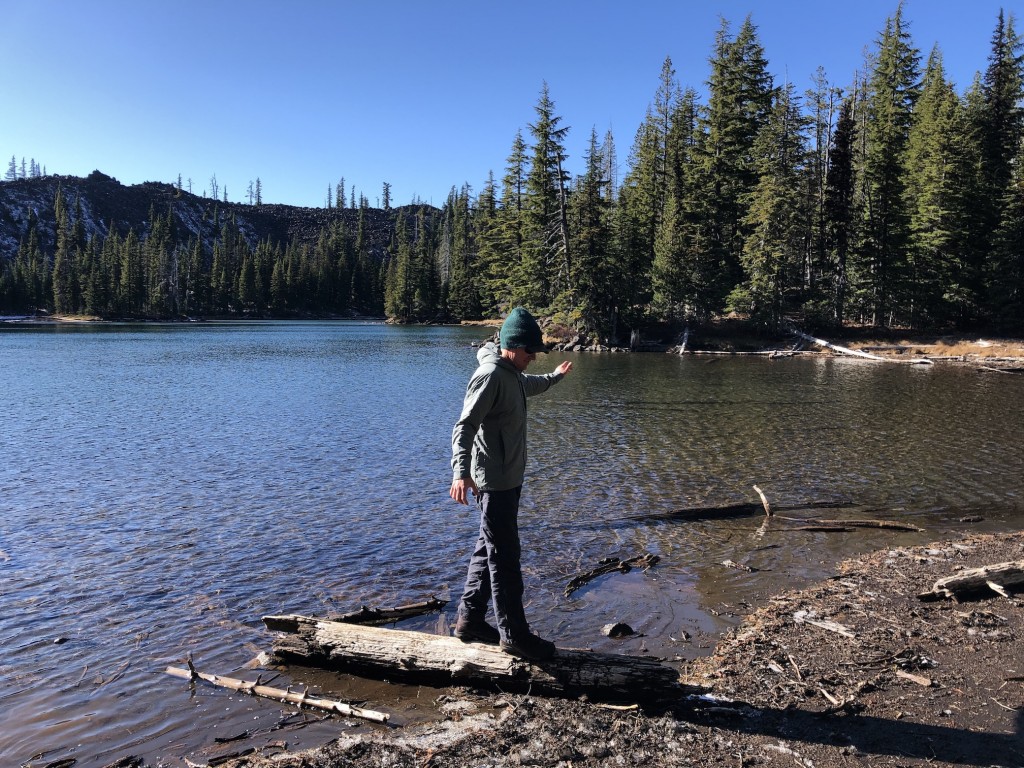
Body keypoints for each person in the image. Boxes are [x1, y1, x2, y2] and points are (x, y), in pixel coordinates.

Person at [450, 307, 573, 661]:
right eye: (529, 351)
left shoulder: (512, 374)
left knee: (485, 548)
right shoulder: (490, 375)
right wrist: (461, 473)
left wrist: (556, 376)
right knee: (505, 557)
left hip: (508, 479)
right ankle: (514, 634)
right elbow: (464, 427)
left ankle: (469, 620)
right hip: (495, 483)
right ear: (511, 346)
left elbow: (530, 386)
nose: (533, 357)